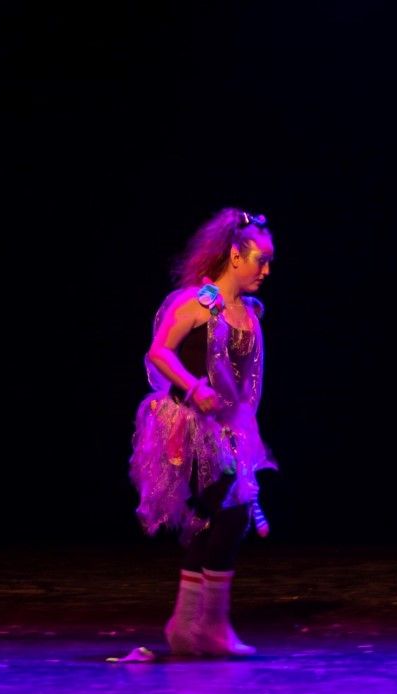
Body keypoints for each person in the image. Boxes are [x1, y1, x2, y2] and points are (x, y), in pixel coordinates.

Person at [129, 207, 277, 657]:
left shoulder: (248, 313)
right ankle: (205, 625)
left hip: (225, 431)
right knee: (225, 514)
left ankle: (191, 626)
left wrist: (244, 432)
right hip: (188, 425)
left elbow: (246, 384)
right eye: (260, 261)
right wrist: (194, 387)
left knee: (217, 519)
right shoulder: (197, 302)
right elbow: (159, 352)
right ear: (235, 255)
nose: (266, 271)